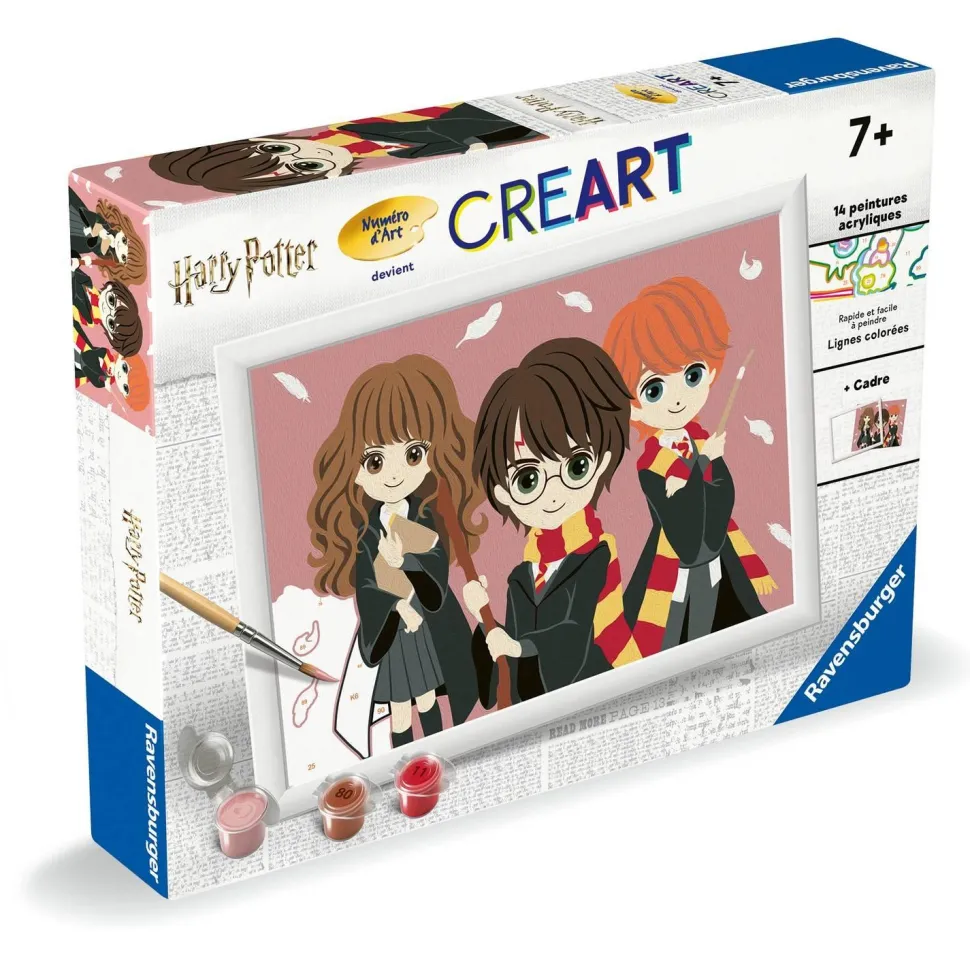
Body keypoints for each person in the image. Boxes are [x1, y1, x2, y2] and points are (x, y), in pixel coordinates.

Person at [307, 355, 485, 747]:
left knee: (428, 697)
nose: (393, 473)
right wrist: (396, 605)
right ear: (355, 471)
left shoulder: (425, 515)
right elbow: (367, 588)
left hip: (427, 623)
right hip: (392, 631)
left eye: (412, 455)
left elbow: (437, 571)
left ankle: (441, 745)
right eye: (375, 460)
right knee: (401, 707)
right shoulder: (367, 533)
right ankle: (403, 757)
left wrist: (406, 561)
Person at [463, 338, 643, 710]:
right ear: (504, 493)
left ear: (602, 461)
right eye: (528, 479)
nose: (554, 491)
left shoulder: (595, 556)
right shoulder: (520, 579)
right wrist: (483, 621)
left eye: (576, 466)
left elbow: (573, 637)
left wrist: (517, 647)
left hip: (594, 698)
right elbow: (505, 668)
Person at [602, 276, 776, 654]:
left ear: (710, 374)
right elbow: (684, 527)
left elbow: (722, 503)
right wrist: (704, 464)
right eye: (654, 389)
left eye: (691, 375)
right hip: (675, 566)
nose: (678, 397)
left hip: (717, 558)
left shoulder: (701, 440)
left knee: (723, 632)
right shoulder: (651, 463)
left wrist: (706, 464)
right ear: (633, 406)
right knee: (674, 640)